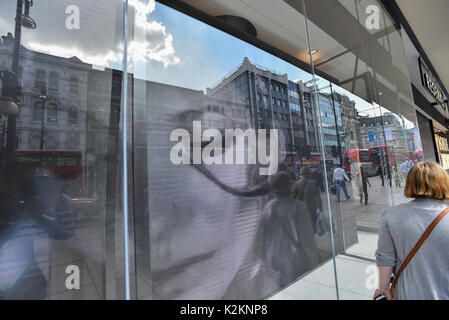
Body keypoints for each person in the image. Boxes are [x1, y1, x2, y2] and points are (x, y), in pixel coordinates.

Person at [374, 162, 449, 300]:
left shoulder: (390, 215)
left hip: (407, 294)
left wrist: (383, 288)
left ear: (410, 183)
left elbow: (385, 258)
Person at [262, 172, 320, 287]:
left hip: (274, 260)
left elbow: (264, 237)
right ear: (289, 186)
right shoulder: (298, 207)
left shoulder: (267, 208)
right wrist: (317, 264)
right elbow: (308, 240)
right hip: (295, 259)